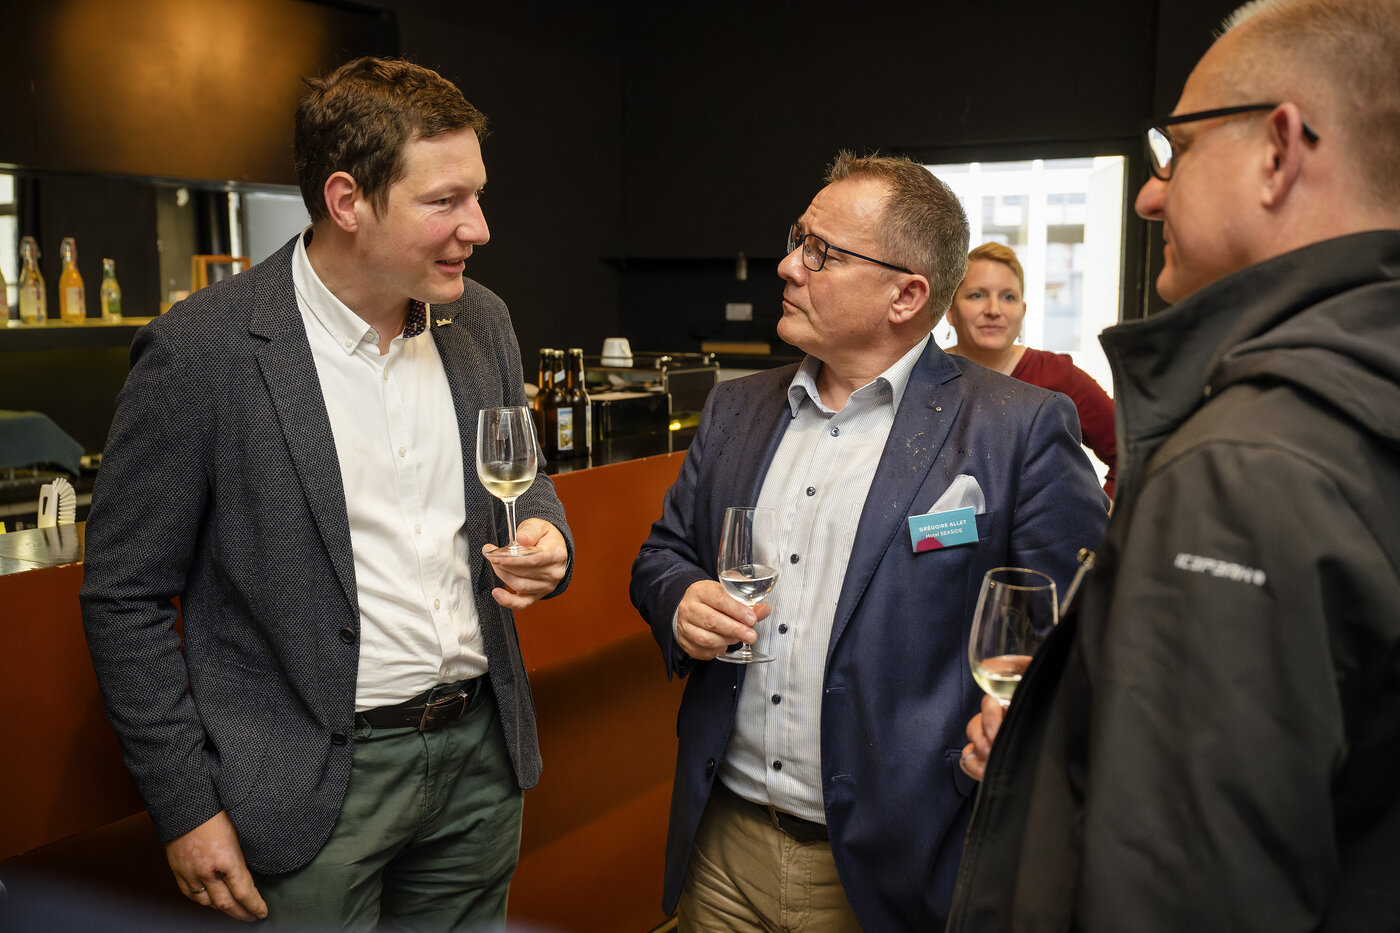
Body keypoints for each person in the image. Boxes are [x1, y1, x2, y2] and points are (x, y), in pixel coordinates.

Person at [79, 57, 573, 930]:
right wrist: (185, 805)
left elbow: (522, 479)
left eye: (477, 195)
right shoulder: (202, 351)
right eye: (445, 201)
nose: (480, 227)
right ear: (347, 201)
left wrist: (547, 538)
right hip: (307, 789)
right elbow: (125, 596)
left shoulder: (482, 320)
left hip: (479, 759)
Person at [951, 0, 1400, 928]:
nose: (1150, 195)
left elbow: (1182, 885)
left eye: (1178, 151)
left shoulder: (1243, 466)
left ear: (1279, 151)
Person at [630, 152, 1108, 931]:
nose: (789, 265)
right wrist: (680, 598)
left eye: (821, 252)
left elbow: (1080, 639)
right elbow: (663, 554)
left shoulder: (1016, 429)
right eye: (798, 240)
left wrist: (1018, 732)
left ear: (906, 294)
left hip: (899, 862)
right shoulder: (736, 409)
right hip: (723, 845)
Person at [945, 242, 1118, 497]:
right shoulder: (926, 375)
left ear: (1022, 311)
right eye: (977, 295)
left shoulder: (1057, 376)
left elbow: (1133, 452)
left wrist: (1105, 514)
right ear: (950, 310)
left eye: (1008, 297)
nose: (994, 310)